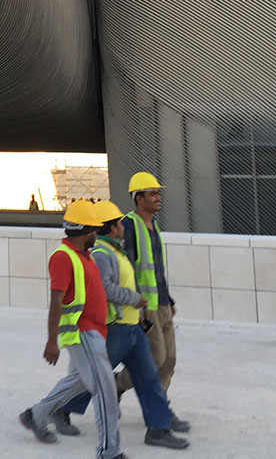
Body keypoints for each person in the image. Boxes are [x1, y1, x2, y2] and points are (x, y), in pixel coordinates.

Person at [57, 200, 190, 450]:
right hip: (115, 326)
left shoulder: (118, 251)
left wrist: (141, 316)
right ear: (110, 228)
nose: (122, 227)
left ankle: (158, 429)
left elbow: (133, 282)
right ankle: (59, 408)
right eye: (118, 224)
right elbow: (106, 289)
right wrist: (135, 300)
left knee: (149, 376)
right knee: (94, 377)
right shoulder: (101, 254)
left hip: (131, 326)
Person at [18, 201, 125, 459]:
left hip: (93, 332)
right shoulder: (63, 258)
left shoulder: (83, 256)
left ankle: (37, 414)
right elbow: (56, 300)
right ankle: (109, 452)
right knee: (105, 389)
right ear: (83, 230)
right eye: (93, 230)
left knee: (79, 382)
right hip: (82, 333)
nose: (96, 235)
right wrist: (51, 341)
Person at [117, 172, 185, 426]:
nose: (158, 198)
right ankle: (117, 386)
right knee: (154, 359)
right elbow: (129, 269)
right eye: (153, 193)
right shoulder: (130, 226)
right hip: (145, 307)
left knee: (169, 360)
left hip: (162, 304)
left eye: (158, 193)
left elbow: (156, 268)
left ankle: (161, 408)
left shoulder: (154, 226)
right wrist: (139, 304)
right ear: (138, 198)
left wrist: (168, 299)